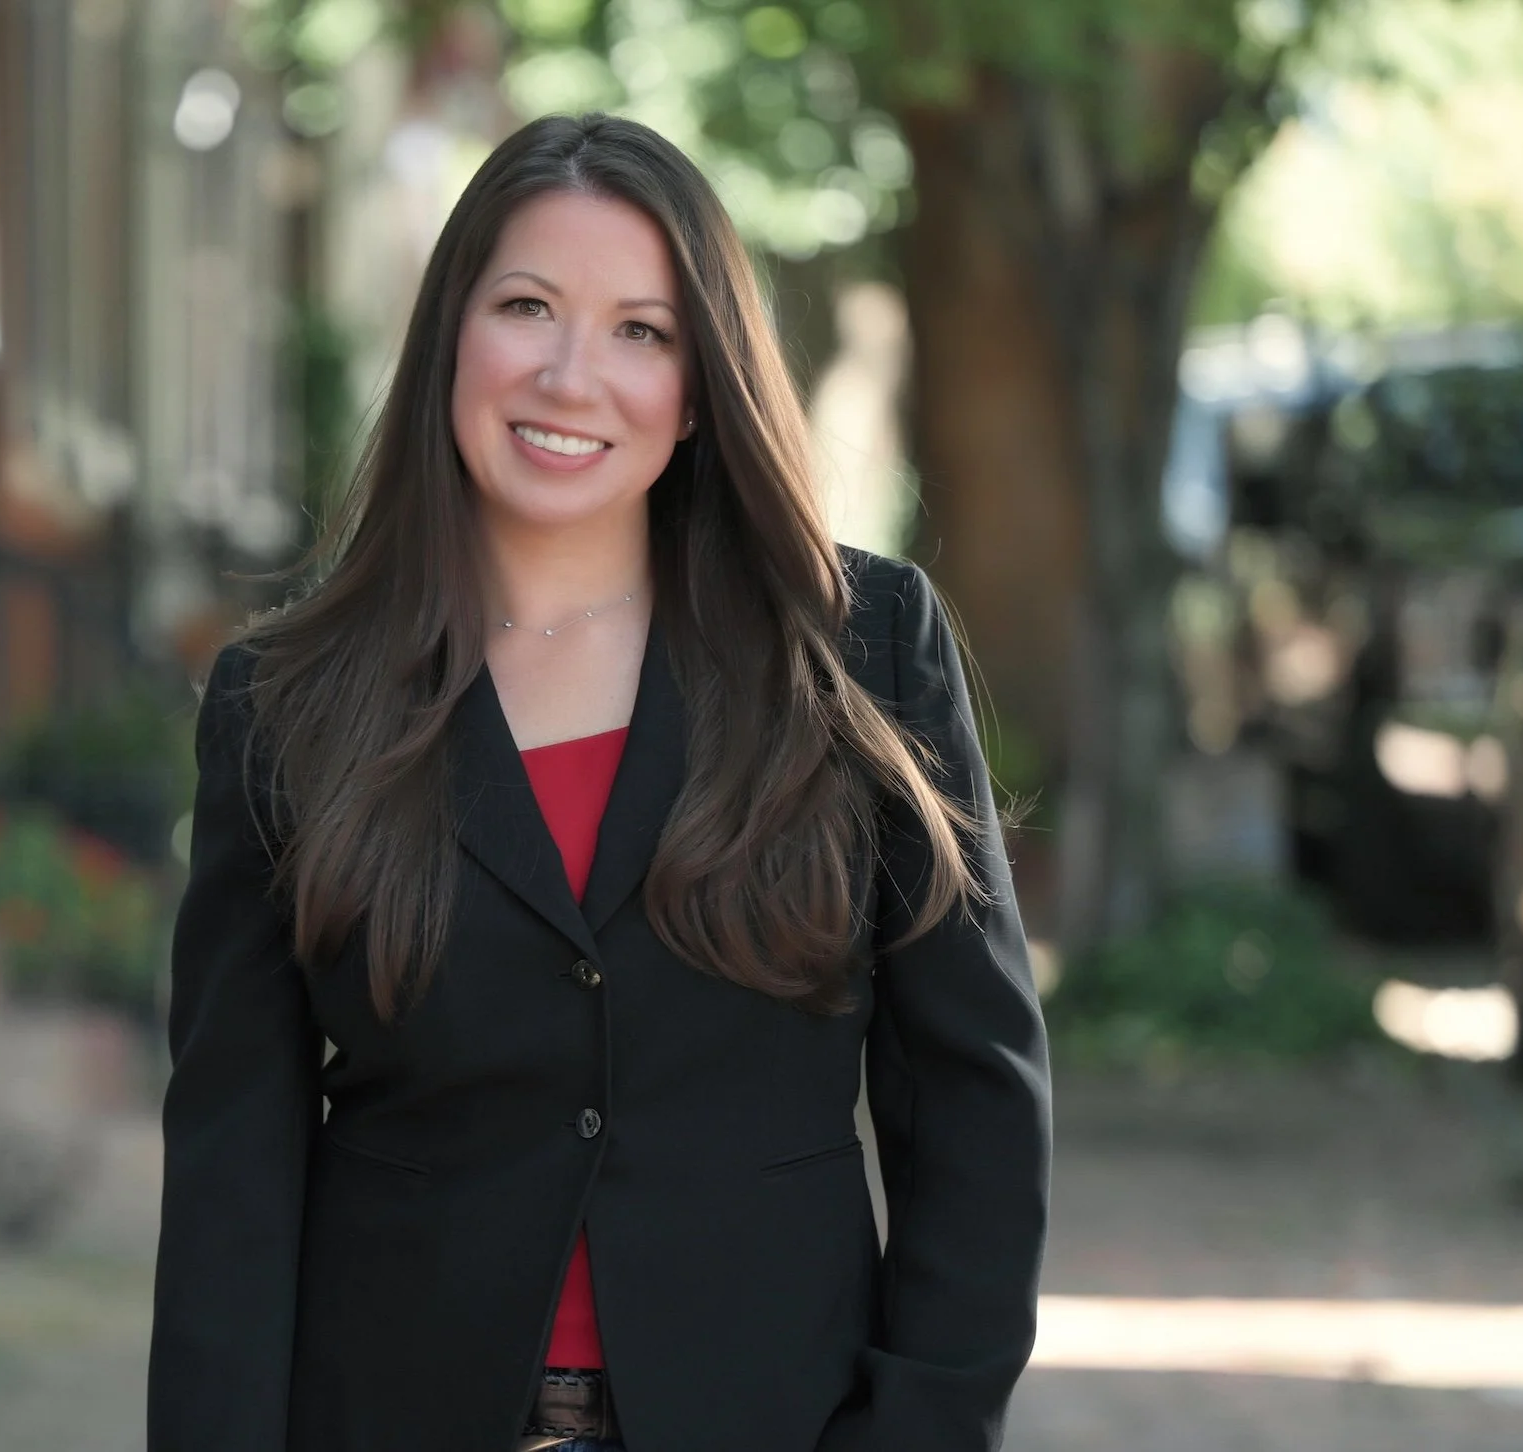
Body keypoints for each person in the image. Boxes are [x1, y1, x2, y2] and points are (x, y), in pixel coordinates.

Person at [147, 112, 1050, 1452]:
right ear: (452, 335)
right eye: (527, 307)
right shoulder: (286, 703)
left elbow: (972, 1098)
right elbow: (233, 1170)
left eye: (641, 330)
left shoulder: (856, 650)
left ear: (698, 388)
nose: (573, 376)